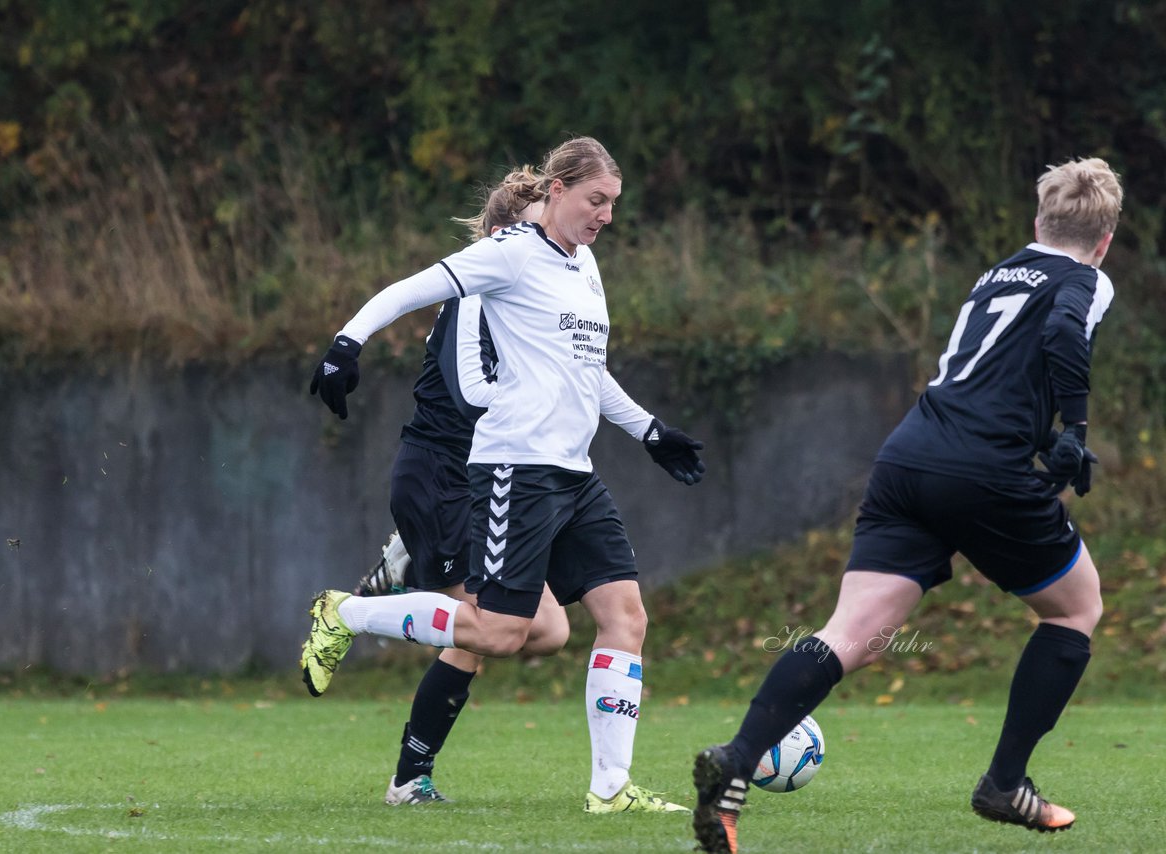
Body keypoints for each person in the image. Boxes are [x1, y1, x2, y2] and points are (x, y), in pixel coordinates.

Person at [692, 156, 1123, 854]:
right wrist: (1074, 431)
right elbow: (1065, 332)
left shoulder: (995, 275)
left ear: (1036, 223)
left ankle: (738, 761)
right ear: (1104, 240)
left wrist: (1044, 431)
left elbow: (997, 373)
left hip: (908, 454)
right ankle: (1005, 783)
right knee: (1076, 609)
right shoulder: (1086, 277)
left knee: (853, 630)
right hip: (982, 469)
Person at [304, 136, 706, 813]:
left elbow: (586, 368)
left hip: (574, 474)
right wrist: (347, 343)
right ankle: (348, 612)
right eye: (595, 200)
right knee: (498, 632)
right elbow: (411, 289)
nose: (606, 215)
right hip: (516, 467)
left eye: (613, 204)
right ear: (557, 190)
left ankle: (611, 790)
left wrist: (650, 431)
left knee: (624, 616)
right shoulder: (511, 253)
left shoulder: (584, 266)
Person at [364, 185, 573, 806]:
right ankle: (353, 613)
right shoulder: (482, 291)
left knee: (546, 629)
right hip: (443, 479)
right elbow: (467, 392)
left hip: (484, 479)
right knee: (486, 631)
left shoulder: (535, 294)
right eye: (542, 222)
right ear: (512, 233)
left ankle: (408, 776)